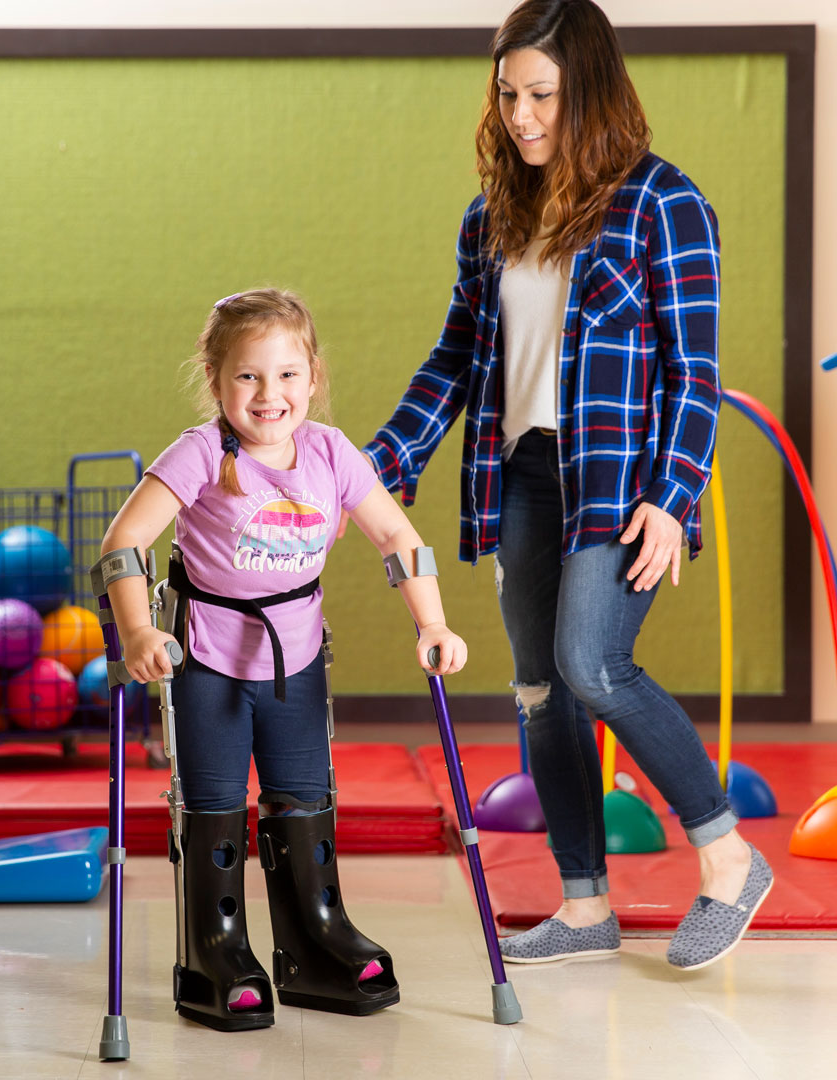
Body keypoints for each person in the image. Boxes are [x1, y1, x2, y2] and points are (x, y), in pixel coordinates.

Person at [361, 0, 772, 970]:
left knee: (593, 664)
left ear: (587, 88)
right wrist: (381, 460)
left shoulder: (664, 202)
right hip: (524, 476)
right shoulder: (492, 216)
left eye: (541, 94)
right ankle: (586, 906)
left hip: (618, 482)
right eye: (508, 94)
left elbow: (694, 369)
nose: (522, 115)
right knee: (543, 690)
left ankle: (728, 858)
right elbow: (458, 360)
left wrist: (673, 494)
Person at [101, 287, 466, 1031]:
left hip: (295, 659)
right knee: (213, 805)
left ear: (313, 375)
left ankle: (315, 941)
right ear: (216, 380)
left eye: (288, 375)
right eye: (248, 377)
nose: (270, 395)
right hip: (206, 658)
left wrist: (432, 620)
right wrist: (139, 632)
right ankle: (216, 950)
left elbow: (401, 540)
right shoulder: (201, 451)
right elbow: (124, 542)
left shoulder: (333, 453)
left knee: (303, 801)